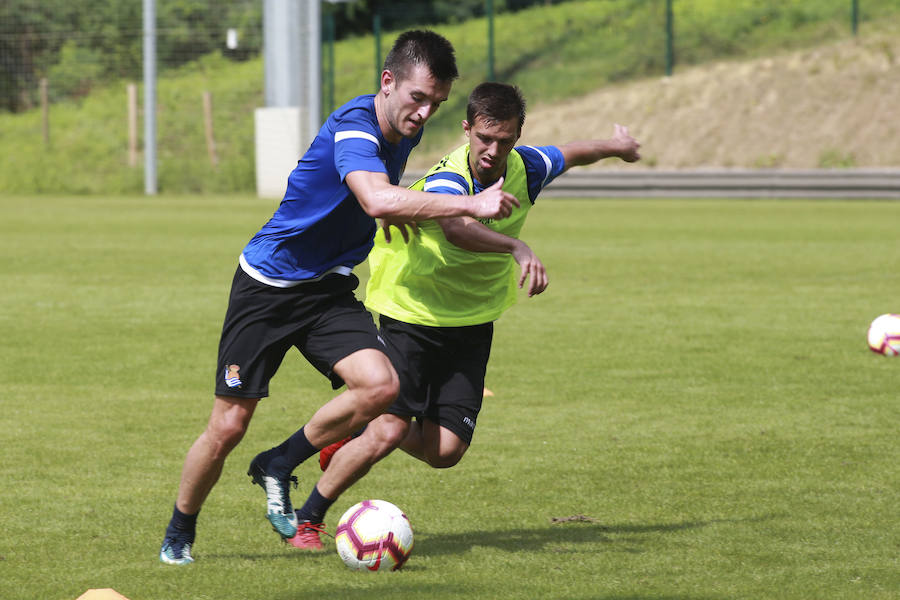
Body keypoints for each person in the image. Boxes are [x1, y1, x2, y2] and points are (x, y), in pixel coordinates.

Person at [158, 31, 520, 566]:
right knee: (228, 425)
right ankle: (179, 532)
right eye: (418, 98)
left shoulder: (402, 131)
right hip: (269, 286)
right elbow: (374, 196)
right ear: (387, 81)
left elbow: (379, 199)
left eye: (436, 104)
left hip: (326, 288)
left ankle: (279, 463)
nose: (424, 114)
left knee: (381, 386)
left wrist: (401, 211)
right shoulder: (356, 127)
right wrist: (469, 205)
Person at [284, 82, 641, 550]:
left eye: (505, 141)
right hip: (411, 309)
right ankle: (309, 519)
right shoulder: (449, 176)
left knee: (445, 451)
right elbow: (456, 229)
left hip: (470, 321)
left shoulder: (527, 166)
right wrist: (517, 245)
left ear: (518, 137)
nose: (493, 151)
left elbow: (572, 152)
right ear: (467, 129)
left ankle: (358, 424)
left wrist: (616, 146)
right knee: (392, 428)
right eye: (484, 139)